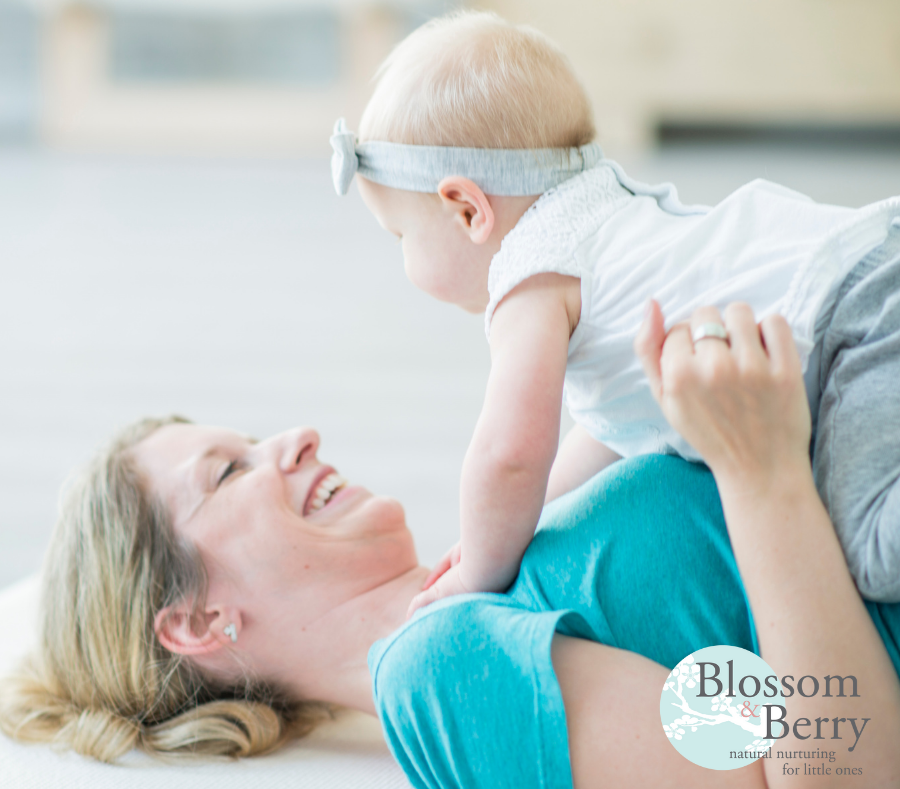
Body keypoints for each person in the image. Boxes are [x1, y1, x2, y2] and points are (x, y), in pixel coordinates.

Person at [1, 302, 899, 788]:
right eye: (230, 471)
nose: (299, 436)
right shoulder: (442, 670)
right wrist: (764, 474)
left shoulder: (507, 541)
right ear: (198, 621)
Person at [329, 10, 900, 613]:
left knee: (870, 552)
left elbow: (510, 455)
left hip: (850, 323)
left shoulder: (531, 281)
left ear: (468, 211)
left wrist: (478, 570)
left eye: (400, 237)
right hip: (867, 257)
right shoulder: (595, 212)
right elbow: (610, 428)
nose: (404, 261)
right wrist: (491, 532)